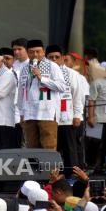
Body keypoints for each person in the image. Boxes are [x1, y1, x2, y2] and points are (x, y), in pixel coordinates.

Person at [17, 40, 66, 150]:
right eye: (31, 52)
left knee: (48, 147)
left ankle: (50, 168)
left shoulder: (52, 66)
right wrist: (21, 113)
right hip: (29, 113)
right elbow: (21, 91)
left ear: (43, 52)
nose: (35, 55)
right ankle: (35, 168)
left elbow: (62, 87)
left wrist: (41, 78)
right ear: (27, 53)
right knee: (32, 147)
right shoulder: (24, 68)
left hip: (47, 113)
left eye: (38, 51)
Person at [46, 44, 83, 172]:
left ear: (62, 58)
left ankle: (72, 177)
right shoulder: (44, 74)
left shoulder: (72, 74)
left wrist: (77, 115)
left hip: (67, 118)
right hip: (49, 118)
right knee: (51, 150)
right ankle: (53, 177)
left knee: (69, 150)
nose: (54, 60)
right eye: (51, 57)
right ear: (46, 58)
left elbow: (78, 95)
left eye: (57, 57)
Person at [2, 47, 23, 148]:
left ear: (14, 60)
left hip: (15, 117)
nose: (5, 61)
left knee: (14, 148)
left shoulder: (19, 74)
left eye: (8, 58)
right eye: (3, 58)